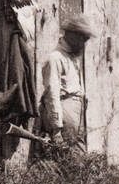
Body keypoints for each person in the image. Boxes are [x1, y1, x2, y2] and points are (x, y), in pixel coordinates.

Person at [40, 12, 97, 148]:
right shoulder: (55, 58)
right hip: (64, 116)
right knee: (67, 157)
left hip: (76, 115)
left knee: (78, 157)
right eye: (83, 39)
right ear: (72, 35)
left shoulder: (72, 58)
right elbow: (52, 94)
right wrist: (57, 128)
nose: (83, 44)